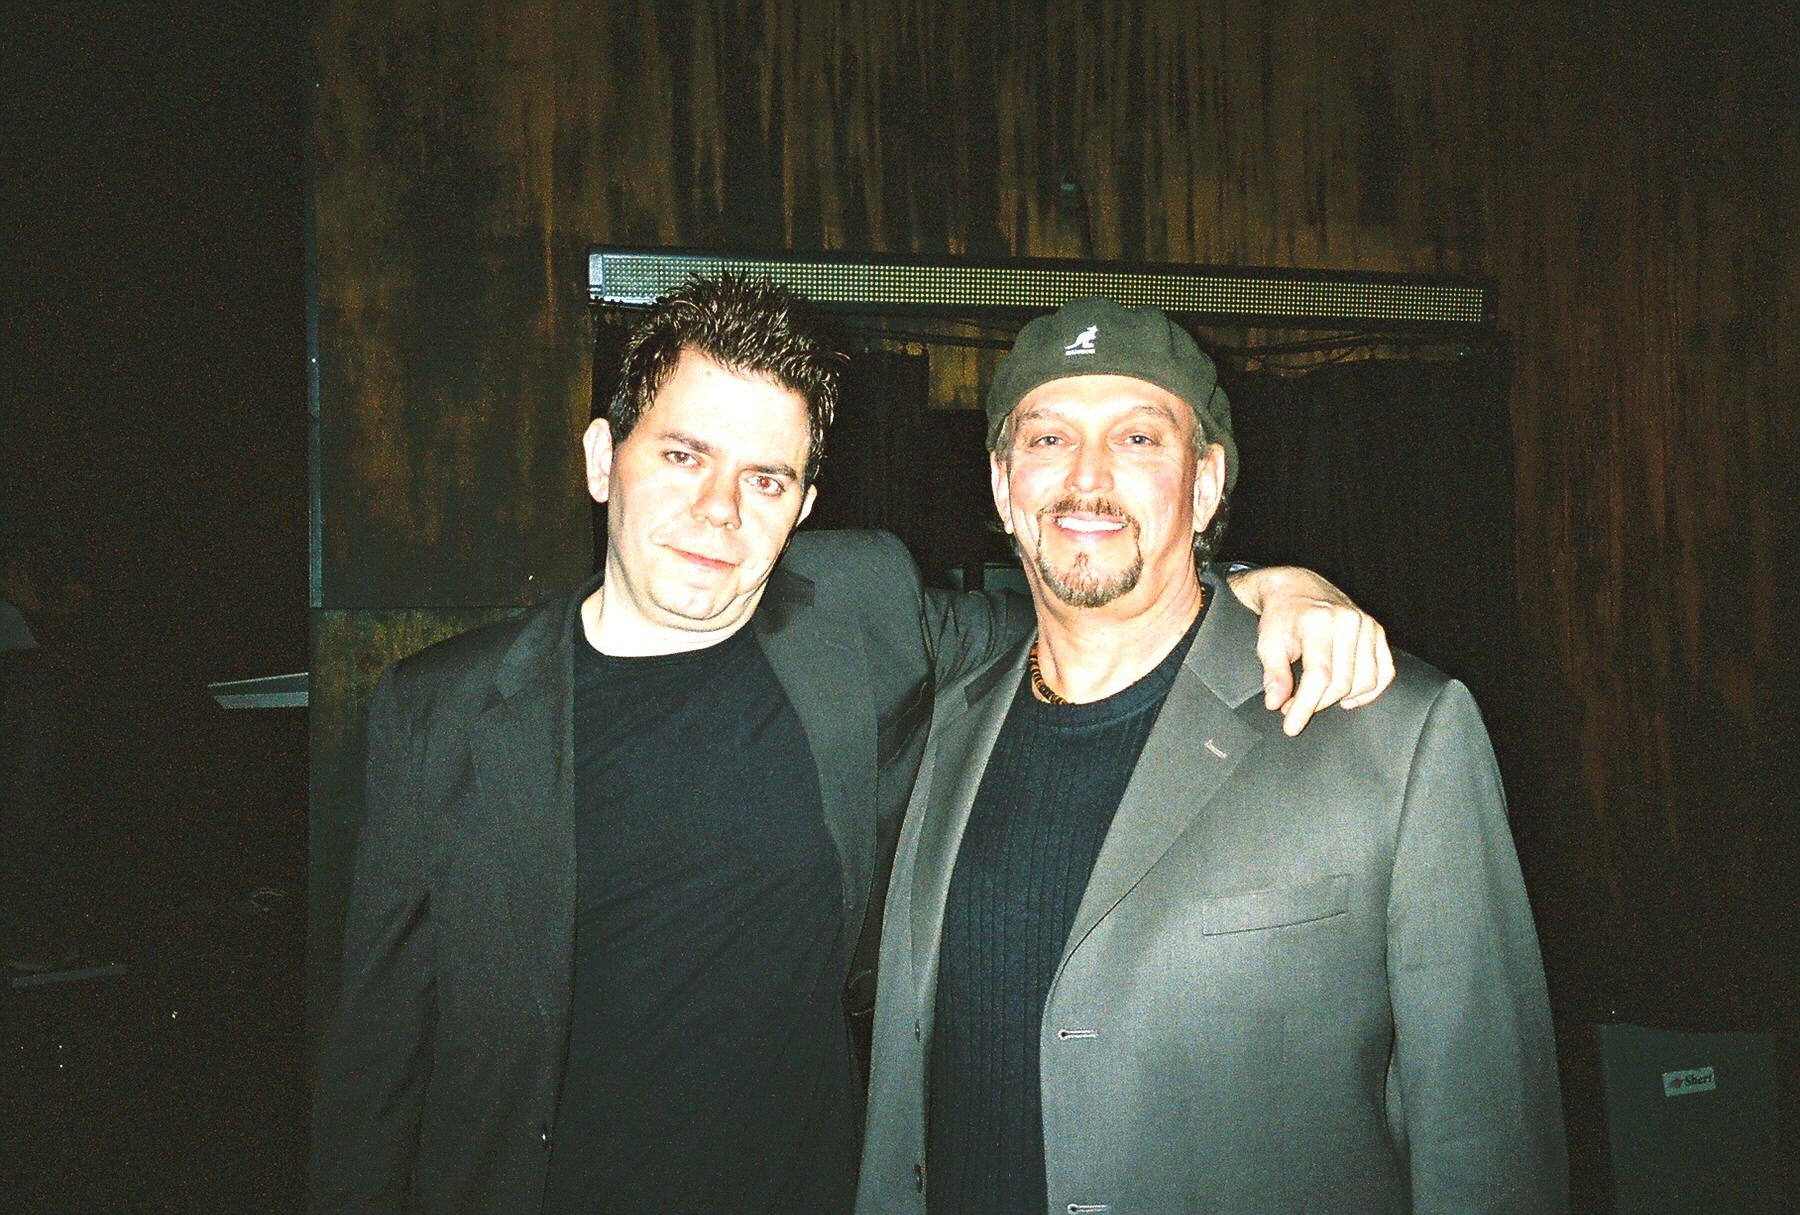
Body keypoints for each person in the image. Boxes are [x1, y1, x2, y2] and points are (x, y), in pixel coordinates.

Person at [309, 278, 1394, 1215]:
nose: (717, 509)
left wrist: (1267, 584)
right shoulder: (440, 713)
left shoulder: (861, 613)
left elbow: (1102, 604)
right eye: (682, 454)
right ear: (604, 458)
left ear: (805, 504)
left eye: (766, 478)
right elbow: (374, 1071)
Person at [857, 298, 1568, 1214]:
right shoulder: (951, 726)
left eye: (1141, 439)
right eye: (1048, 439)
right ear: (1002, 485)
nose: (1087, 478)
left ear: (1205, 483)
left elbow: (1490, 1150)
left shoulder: (1397, 734)